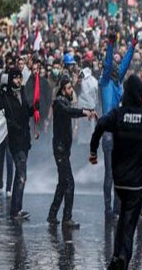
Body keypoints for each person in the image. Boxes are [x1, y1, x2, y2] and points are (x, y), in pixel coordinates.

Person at [89, 75, 142, 270]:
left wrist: (93, 150)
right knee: (129, 221)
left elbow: (100, 125)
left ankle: (116, 256)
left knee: (123, 218)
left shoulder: (117, 114)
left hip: (120, 180)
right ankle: (122, 257)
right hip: (138, 182)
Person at [47, 76, 96, 228]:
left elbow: (72, 105)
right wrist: (85, 112)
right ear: (62, 90)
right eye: (68, 88)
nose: (71, 90)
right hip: (60, 150)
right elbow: (71, 111)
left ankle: (52, 215)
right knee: (69, 183)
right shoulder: (59, 104)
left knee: (63, 183)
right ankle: (67, 218)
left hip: (64, 149)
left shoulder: (64, 100)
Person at [99, 32, 136, 218]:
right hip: (108, 134)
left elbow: (125, 64)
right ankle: (108, 211)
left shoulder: (117, 81)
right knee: (110, 175)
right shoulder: (105, 82)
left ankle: (116, 209)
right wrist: (110, 45)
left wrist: (132, 46)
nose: (116, 67)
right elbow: (107, 63)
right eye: (114, 65)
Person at [0, 68, 35, 220]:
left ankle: (15, 209)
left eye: (20, 78)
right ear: (11, 79)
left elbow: (25, 111)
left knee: (20, 174)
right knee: (22, 175)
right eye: (16, 78)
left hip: (25, 139)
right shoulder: (6, 95)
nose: (19, 80)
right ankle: (16, 210)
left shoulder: (22, 92)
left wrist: (33, 110)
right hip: (15, 140)